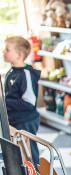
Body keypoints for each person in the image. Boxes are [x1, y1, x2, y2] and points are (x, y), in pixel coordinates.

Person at [3, 36, 40, 167]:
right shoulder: (12, 71)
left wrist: (4, 103)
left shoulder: (25, 74)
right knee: (18, 153)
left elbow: (29, 103)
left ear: (19, 55)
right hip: (14, 119)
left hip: (26, 120)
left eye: (7, 50)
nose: (3, 52)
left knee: (30, 153)